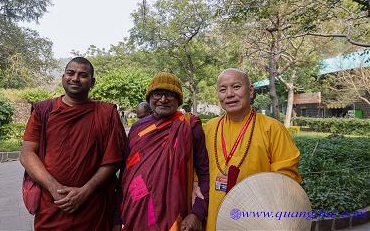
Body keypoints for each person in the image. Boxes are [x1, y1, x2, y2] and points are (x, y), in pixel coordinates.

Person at [20, 57, 126, 230]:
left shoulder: (106, 113)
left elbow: (113, 159)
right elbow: (27, 154)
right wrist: (55, 189)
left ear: (92, 82)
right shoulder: (44, 110)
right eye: (70, 73)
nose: (75, 78)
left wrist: (85, 191)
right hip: (52, 204)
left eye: (83, 75)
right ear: (63, 77)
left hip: (93, 206)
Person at [202, 68, 302, 230]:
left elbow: (285, 180)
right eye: (222, 89)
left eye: (236, 87)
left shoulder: (272, 128)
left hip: (256, 219)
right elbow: (198, 171)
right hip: (214, 216)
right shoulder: (209, 128)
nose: (229, 94)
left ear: (250, 90)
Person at [118, 72, 209, 231]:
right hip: (136, 208)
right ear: (149, 97)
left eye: (170, 95)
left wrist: (197, 213)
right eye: (158, 94)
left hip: (175, 211)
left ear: (178, 99)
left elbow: (204, 173)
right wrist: (117, 217)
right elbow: (126, 173)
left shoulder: (189, 126)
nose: (163, 99)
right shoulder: (137, 129)